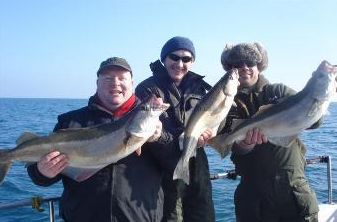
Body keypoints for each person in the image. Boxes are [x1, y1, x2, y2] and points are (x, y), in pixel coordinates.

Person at [27, 57, 181, 222]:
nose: (115, 83)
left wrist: (160, 139)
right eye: (108, 78)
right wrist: (42, 172)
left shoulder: (158, 120)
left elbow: (177, 165)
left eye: (122, 78)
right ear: (97, 82)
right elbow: (42, 178)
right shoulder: (70, 122)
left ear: (132, 83)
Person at [219, 43, 319, 222]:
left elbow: (315, 122)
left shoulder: (278, 91)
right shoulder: (226, 103)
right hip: (252, 196)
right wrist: (245, 145)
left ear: (259, 64)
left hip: (293, 189)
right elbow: (234, 149)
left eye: (250, 61)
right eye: (237, 63)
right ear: (230, 69)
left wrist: (320, 95)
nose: (244, 67)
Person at [135, 36, 215, 222]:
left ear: (192, 62)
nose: (180, 63)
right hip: (162, 170)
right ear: (164, 59)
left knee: (204, 216)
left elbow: (210, 120)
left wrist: (210, 133)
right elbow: (148, 130)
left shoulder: (200, 89)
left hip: (198, 169)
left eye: (186, 59)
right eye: (174, 57)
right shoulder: (147, 89)